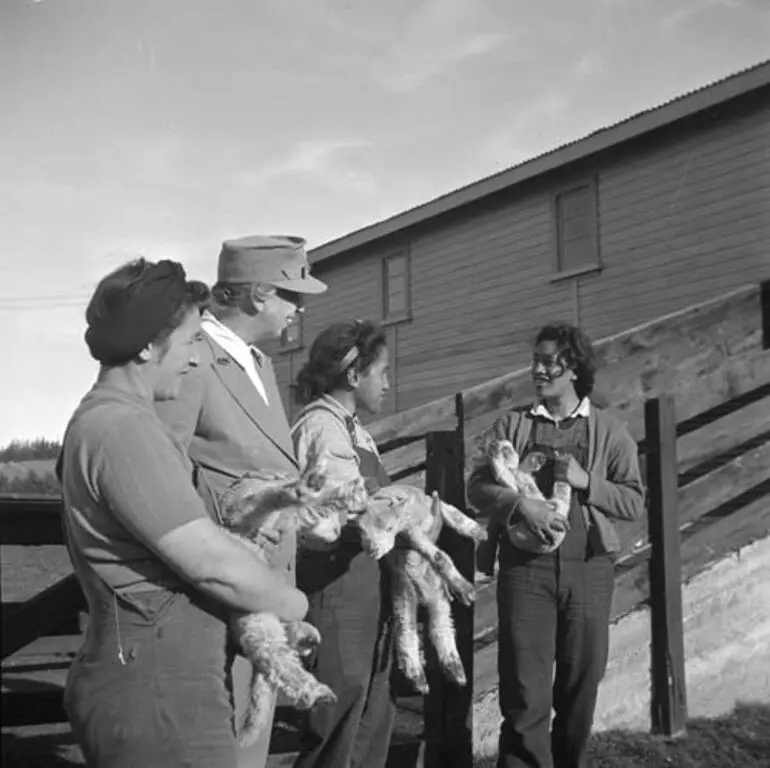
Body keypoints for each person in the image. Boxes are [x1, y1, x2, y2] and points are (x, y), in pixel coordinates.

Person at [57, 258, 308, 768]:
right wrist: (292, 601)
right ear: (149, 345)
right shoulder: (121, 430)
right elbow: (210, 562)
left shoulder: (118, 421)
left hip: (163, 680)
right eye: (192, 342)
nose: (196, 361)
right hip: (155, 689)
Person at [155, 234, 328, 767]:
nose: (298, 310)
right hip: (215, 596)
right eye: (291, 296)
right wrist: (232, 525)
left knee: (248, 743)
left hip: (263, 590)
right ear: (256, 294)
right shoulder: (194, 360)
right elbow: (161, 471)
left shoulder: (259, 364)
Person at [467, 323, 645, 768]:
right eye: (537, 361)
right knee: (525, 693)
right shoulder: (513, 425)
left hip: (588, 570)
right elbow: (476, 487)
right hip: (525, 573)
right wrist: (517, 504)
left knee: (580, 687)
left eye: (550, 362)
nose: (538, 370)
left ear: (575, 369)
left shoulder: (610, 430)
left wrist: (589, 483)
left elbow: (633, 501)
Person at [290, 319, 397, 768]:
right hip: (337, 589)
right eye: (383, 372)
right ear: (354, 376)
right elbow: (326, 520)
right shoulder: (323, 429)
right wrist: (400, 512)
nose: (389, 384)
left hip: (367, 589)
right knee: (336, 727)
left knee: (372, 719)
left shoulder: (355, 431)